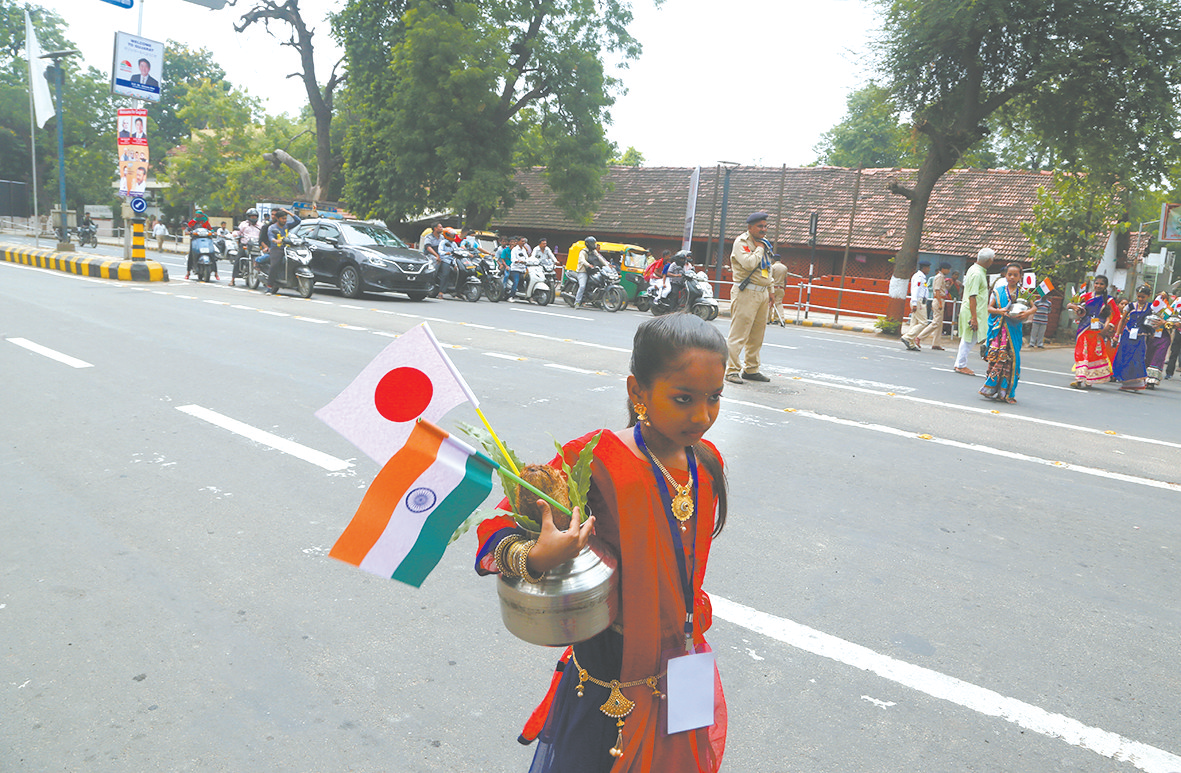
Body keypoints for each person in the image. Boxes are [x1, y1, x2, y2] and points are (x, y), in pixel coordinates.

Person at [476, 313, 729, 773]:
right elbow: (500, 528)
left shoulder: (707, 462)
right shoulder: (597, 459)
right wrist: (535, 556)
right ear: (638, 393)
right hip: (610, 671)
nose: (702, 415)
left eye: (714, 398)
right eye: (683, 398)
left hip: (684, 659)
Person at [725, 212, 773, 384]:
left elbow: (766, 268)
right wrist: (759, 248)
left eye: (765, 226)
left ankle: (751, 369)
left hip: (762, 293)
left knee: (757, 335)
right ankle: (731, 370)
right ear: (750, 227)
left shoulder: (765, 244)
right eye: (760, 226)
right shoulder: (742, 242)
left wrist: (771, 289)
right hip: (746, 292)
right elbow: (749, 264)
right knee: (739, 334)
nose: (764, 229)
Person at [979, 263, 1035, 403]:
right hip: (1000, 331)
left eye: (1015, 275)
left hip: (1014, 330)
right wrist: (1000, 311)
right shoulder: (998, 291)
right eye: (1010, 274)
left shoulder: (1024, 292)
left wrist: (1026, 313)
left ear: (1020, 277)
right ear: (1005, 275)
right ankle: (991, 389)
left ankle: (1007, 393)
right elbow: (989, 308)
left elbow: (1034, 307)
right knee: (998, 359)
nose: (1012, 277)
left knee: (1011, 360)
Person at [1067, 275, 1119, 388]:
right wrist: (1073, 306)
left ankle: (1089, 379)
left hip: (1097, 331)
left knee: (1092, 354)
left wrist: (1108, 327)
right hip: (1084, 328)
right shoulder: (1085, 296)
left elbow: (1117, 315)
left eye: (1101, 284)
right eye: (1096, 283)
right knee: (1081, 352)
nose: (1098, 286)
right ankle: (1079, 379)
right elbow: (1070, 304)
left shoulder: (1108, 300)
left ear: (1106, 286)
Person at [953, 247, 996, 375]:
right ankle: (960, 365)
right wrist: (974, 317)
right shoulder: (977, 273)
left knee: (971, 338)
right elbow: (973, 296)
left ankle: (961, 363)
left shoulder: (975, 269)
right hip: (973, 310)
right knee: (969, 338)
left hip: (976, 310)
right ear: (989, 260)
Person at [1111, 284, 1152, 392]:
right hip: (1127, 335)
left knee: (1137, 358)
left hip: (1140, 337)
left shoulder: (1150, 307)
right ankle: (1126, 382)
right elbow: (1122, 320)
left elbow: (1156, 320)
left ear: (1148, 296)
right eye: (1138, 296)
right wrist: (1117, 335)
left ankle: (1137, 382)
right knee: (1125, 357)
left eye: (1143, 297)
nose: (1140, 299)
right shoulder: (1130, 306)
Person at [265, 208, 300, 294]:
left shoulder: (287, 225)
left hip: (288, 248)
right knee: (274, 265)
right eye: (282, 218)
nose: (284, 220)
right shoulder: (272, 227)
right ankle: (269, 286)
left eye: (285, 218)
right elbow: (271, 237)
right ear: (278, 219)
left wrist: (287, 212)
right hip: (276, 249)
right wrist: (276, 241)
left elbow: (298, 221)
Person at [900, 260, 932, 351]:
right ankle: (907, 337)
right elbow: (915, 290)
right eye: (928, 268)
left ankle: (911, 343)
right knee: (923, 322)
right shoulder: (919, 277)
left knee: (914, 323)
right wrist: (914, 303)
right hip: (918, 301)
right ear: (924, 268)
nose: (929, 270)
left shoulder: (922, 277)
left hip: (919, 301)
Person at [1144, 292, 1172, 388]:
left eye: (1164, 297)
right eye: (1160, 296)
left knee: (1158, 358)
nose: (1161, 298)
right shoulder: (1149, 309)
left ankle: (1152, 381)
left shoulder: (1169, 311)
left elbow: (1174, 324)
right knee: (1148, 357)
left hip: (1163, 338)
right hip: (1150, 337)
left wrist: (1165, 322)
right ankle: (1144, 378)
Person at [231, 208, 264, 286]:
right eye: (252, 216)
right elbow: (238, 232)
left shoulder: (261, 225)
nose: (253, 218)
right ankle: (232, 279)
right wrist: (235, 234)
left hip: (257, 246)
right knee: (238, 260)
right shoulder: (243, 224)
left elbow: (264, 234)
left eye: (255, 216)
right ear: (248, 217)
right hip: (245, 245)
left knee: (264, 260)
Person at [575, 237, 607, 307]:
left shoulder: (594, 251)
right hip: (583, 271)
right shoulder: (583, 252)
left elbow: (600, 258)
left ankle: (597, 301)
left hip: (593, 271)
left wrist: (607, 265)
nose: (594, 245)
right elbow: (582, 260)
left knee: (600, 284)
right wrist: (588, 265)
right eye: (593, 243)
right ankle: (577, 302)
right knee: (582, 286)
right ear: (588, 244)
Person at [185, 209, 215, 280]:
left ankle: (216, 272)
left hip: (206, 241)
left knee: (212, 254)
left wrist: (213, 232)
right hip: (195, 241)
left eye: (200, 215)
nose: (198, 216)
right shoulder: (193, 222)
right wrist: (188, 232)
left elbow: (210, 229)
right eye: (197, 215)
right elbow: (188, 229)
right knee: (191, 255)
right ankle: (188, 272)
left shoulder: (205, 222)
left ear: (202, 215)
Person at [506, 236, 530, 301]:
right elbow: (513, 259)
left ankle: (528, 296)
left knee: (529, 279)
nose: (523, 242)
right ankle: (511, 297)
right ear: (518, 242)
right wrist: (518, 261)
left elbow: (527, 258)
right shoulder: (514, 249)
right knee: (516, 282)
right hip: (515, 269)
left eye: (524, 241)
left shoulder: (524, 250)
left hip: (523, 269)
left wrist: (528, 261)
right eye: (522, 241)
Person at [767, 255, 788, 325]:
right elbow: (785, 280)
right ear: (780, 259)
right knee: (778, 303)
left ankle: (768, 319)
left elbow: (770, 278)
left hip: (773, 287)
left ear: (773, 259)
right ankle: (780, 319)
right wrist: (784, 288)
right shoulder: (784, 267)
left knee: (770, 302)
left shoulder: (773, 267)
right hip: (781, 288)